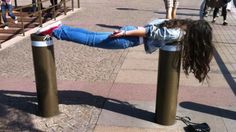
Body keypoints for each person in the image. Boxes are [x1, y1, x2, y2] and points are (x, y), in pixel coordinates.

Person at [36, 19, 214, 83]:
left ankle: (60, 27)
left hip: (131, 33)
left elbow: (155, 25)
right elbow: (149, 31)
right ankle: (57, 31)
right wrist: (124, 33)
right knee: (91, 40)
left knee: (92, 36)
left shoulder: (181, 25)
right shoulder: (177, 32)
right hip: (130, 37)